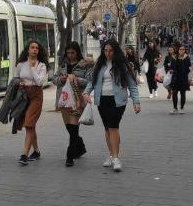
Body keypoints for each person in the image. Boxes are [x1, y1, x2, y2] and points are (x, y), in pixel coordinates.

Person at [83, 39, 140, 173]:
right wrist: (86, 92)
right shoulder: (99, 64)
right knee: (107, 129)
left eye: (110, 50)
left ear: (115, 51)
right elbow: (92, 81)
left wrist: (136, 102)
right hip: (102, 100)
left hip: (118, 100)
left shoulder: (123, 65)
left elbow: (132, 85)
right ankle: (111, 154)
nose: (108, 53)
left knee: (113, 127)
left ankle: (116, 158)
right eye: (105, 50)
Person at [53, 42, 91, 167]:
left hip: (77, 100)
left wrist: (76, 79)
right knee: (69, 128)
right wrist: (61, 79)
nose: (70, 55)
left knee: (74, 129)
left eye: (73, 53)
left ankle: (69, 157)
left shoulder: (84, 65)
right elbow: (54, 79)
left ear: (77, 52)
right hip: (64, 100)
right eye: (68, 53)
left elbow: (88, 82)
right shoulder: (63, 64)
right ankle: (80, 146)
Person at [15, 39, 48, 165]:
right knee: (31, 124)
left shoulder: (41, 65)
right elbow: (15, 79)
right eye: (32, 47)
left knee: (28, 123)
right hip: (24, 96)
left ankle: (24, 154)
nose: (35, 49)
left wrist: (33, 68)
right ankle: (37, 151)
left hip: (36, 96)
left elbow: (40, 82)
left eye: (37, 48)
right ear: (28, 50)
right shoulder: (21, 64)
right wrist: (20, 83)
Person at [168, 44, 191, 114]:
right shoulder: (174, 57)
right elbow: (171, 67)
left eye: (183, 49)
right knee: (174, 93)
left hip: (183, 78)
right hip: (175, 78)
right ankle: (175, 108)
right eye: (180, 49)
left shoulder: (187, 58)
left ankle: (182, 107)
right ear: (178, 50)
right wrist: (171, 70)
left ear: (185, 51)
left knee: (183, 93)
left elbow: (188, 68)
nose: (181, 51)